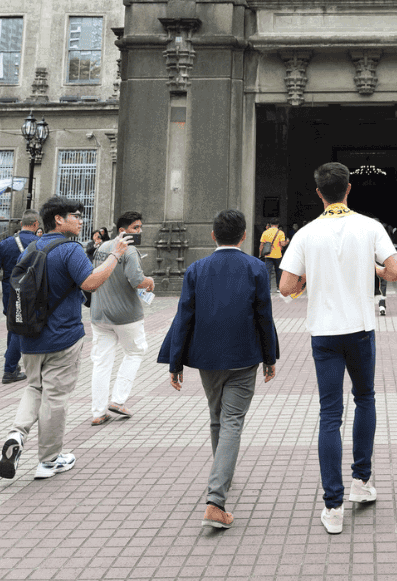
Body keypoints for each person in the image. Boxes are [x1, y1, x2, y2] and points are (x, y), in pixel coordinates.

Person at [279, 162, 397, 534]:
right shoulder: (369, 227)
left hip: (323, 333)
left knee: (329, 415)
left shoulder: (306, 233)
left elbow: (286, 287)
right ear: (349, 188)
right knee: (365, 398)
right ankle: (361, 483)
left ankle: (333, 507)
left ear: (319, 193)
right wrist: (376, 271)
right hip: (361, 329)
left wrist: (307, 279)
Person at [159, 209, 278, 529]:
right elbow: (264, 317)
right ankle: (216, 499)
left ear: (213, 235)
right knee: (233, 421)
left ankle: (220, 475)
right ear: (243, 236)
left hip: (207, 358)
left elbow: (184, 317)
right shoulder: (255, 268)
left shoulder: (197, 269)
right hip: (244, 357)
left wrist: (175, 362)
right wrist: (270, 357)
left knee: (217, 417)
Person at [0, 196, 130, 481]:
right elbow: (91, 283)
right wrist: (116, 254)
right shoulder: (70, 249)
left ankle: (16, 434)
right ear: (58, 219)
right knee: (55, 398)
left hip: (29, 336)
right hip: (63, 338)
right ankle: (49, 460)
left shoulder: (31, 248)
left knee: (35, 388)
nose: (81, 220)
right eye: (75, 215)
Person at [89, 211, 154, 425]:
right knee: (135, 351)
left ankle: (98, 412)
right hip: (126, 315)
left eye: (140, 227)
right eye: (136, 228)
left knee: (101, 362)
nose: (139, 231)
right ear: (122, 231)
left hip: (99, 314)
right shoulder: (130, 250)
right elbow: (137, 281)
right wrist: (149, 281)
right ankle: (118, 400)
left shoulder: (101, 248)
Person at [0, 209, 39, 384]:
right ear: (36, 224)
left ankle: (12, 365)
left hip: (10, 291)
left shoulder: (6, 243)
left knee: (12, 326)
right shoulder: (38, 243)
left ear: (21, 223)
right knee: (20, 330)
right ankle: (9, 369)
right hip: (31, 293)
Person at [259, 221, 288, 293]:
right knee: (278, 272)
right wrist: (287, 241)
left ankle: (268, 288)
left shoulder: (265, 232)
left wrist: (260, 254)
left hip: (268, 255)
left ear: (270, 224)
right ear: (277, 225)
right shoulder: (280, 232)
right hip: (278, 255)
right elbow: (282, 244)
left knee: (268, 272)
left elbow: (261, 245)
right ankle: (278, 288)